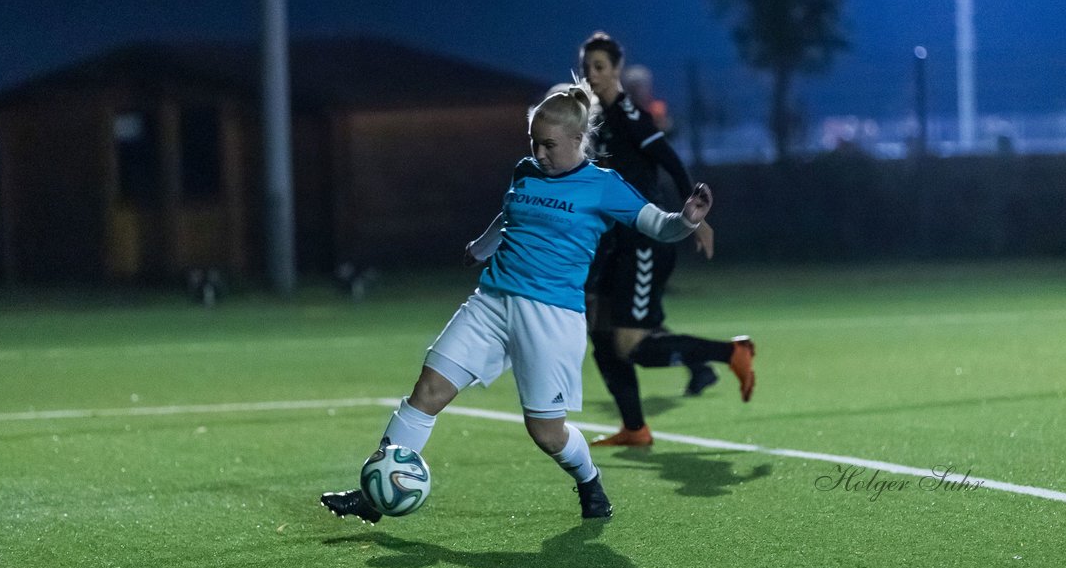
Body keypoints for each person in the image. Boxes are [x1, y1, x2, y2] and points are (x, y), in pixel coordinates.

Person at [321, 84, 714, 523]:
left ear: (576, 140)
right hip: (491, 303)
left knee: (546, 433)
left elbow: (658, 226)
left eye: (549, 145)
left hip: (550, 316)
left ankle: (589, 480)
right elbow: (509, 215)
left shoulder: (603, 186)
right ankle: (373, 497)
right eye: (534, 143)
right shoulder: (525, 170)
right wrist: (481, 247)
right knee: (426, 393)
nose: (540, 153)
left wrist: (686, 220)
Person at [580, 31, 756, 449]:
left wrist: (692, 217)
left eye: (600, 67)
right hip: (615, 240)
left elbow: (671, 162)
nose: (592, 74)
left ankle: (730, 354)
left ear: (617, 70)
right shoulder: (596, 118)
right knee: (601, 333)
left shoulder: (630, 115)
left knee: (630, 343)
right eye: (587, 66)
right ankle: (635, 428)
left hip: (645, 240)